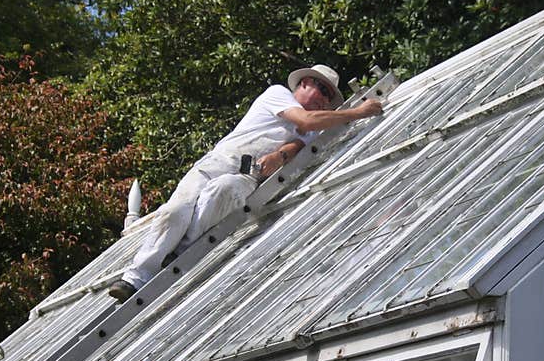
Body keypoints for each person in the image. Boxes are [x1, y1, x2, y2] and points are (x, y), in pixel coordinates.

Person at [108, 64, 383, 302]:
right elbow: (306, 122)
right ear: (304, 83)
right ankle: (135, 278)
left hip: (247, 176)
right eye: (322, 90)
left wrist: (280, 154)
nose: (325, 99)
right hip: (216, 162)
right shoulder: (279, 95)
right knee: (174, 211)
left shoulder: (319, 125)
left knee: (223, 191)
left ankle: (175, 254)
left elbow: (301, 143)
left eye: (329, 96)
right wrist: (359, 112)